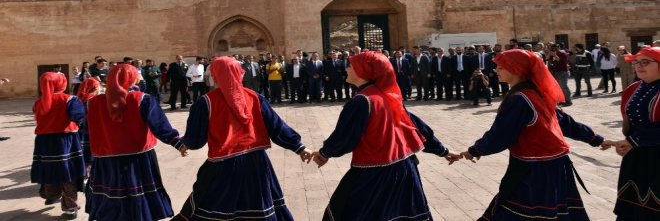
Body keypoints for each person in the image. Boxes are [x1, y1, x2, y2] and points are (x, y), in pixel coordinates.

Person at [310, 51, 461, 221]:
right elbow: (418, 127)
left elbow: (344, 137)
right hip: (405, 169)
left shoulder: (361, 101)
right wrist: (443, 151)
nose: (347, 69)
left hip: (375, 174)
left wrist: (324, 153)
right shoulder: (388, 95)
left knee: (346, 212)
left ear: (363, 70)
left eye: (351, 65)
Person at [460, 49, 609, 221]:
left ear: (515, 69)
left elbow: (500, 135)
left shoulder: (520, 99)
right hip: (556, 166)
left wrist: (474, 151)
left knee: (521, 213)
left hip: (534, 170)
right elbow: (566, 123)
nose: (496, 70)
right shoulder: (537, 93)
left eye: (500, 67)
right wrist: (596, 139)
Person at [172, 57, 311, 221]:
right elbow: (277, 126)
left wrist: (183, 143)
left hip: (223, 165)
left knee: (212, 207)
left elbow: (196, 140)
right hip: (256, 162)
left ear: (216, 75)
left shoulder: (205, 102)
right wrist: (299, 147)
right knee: (257, 206)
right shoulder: (255, 97)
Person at [85, 64, 186, 221]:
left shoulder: (93, 103)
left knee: (112, 195)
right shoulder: (142, 99)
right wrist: (177, 142)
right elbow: (159, 126)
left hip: (106, 159)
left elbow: (86, 130)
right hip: (138, 159)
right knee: (138, 194)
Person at [601, 46, 660, 220]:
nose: (639, 66)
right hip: (637, 156)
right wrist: (627, 143)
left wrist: (632, 141)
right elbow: (631, 123)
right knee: (633, 205)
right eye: (637, 62)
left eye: (646, 62)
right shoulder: (633, 88)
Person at [31, 72, 86, 220]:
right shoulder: (70, 99)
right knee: (68, 173)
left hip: (44, 141)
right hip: (66, 140)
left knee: (49, 169)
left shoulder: (38, 103)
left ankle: (51, 194)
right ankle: (70, 208)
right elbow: (80, 118)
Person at [75, 77, 101, 175]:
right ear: (95, 87)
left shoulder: (79, 100)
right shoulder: (95, 100)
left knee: (84, 154)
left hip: (81, 132)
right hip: (93, 132)